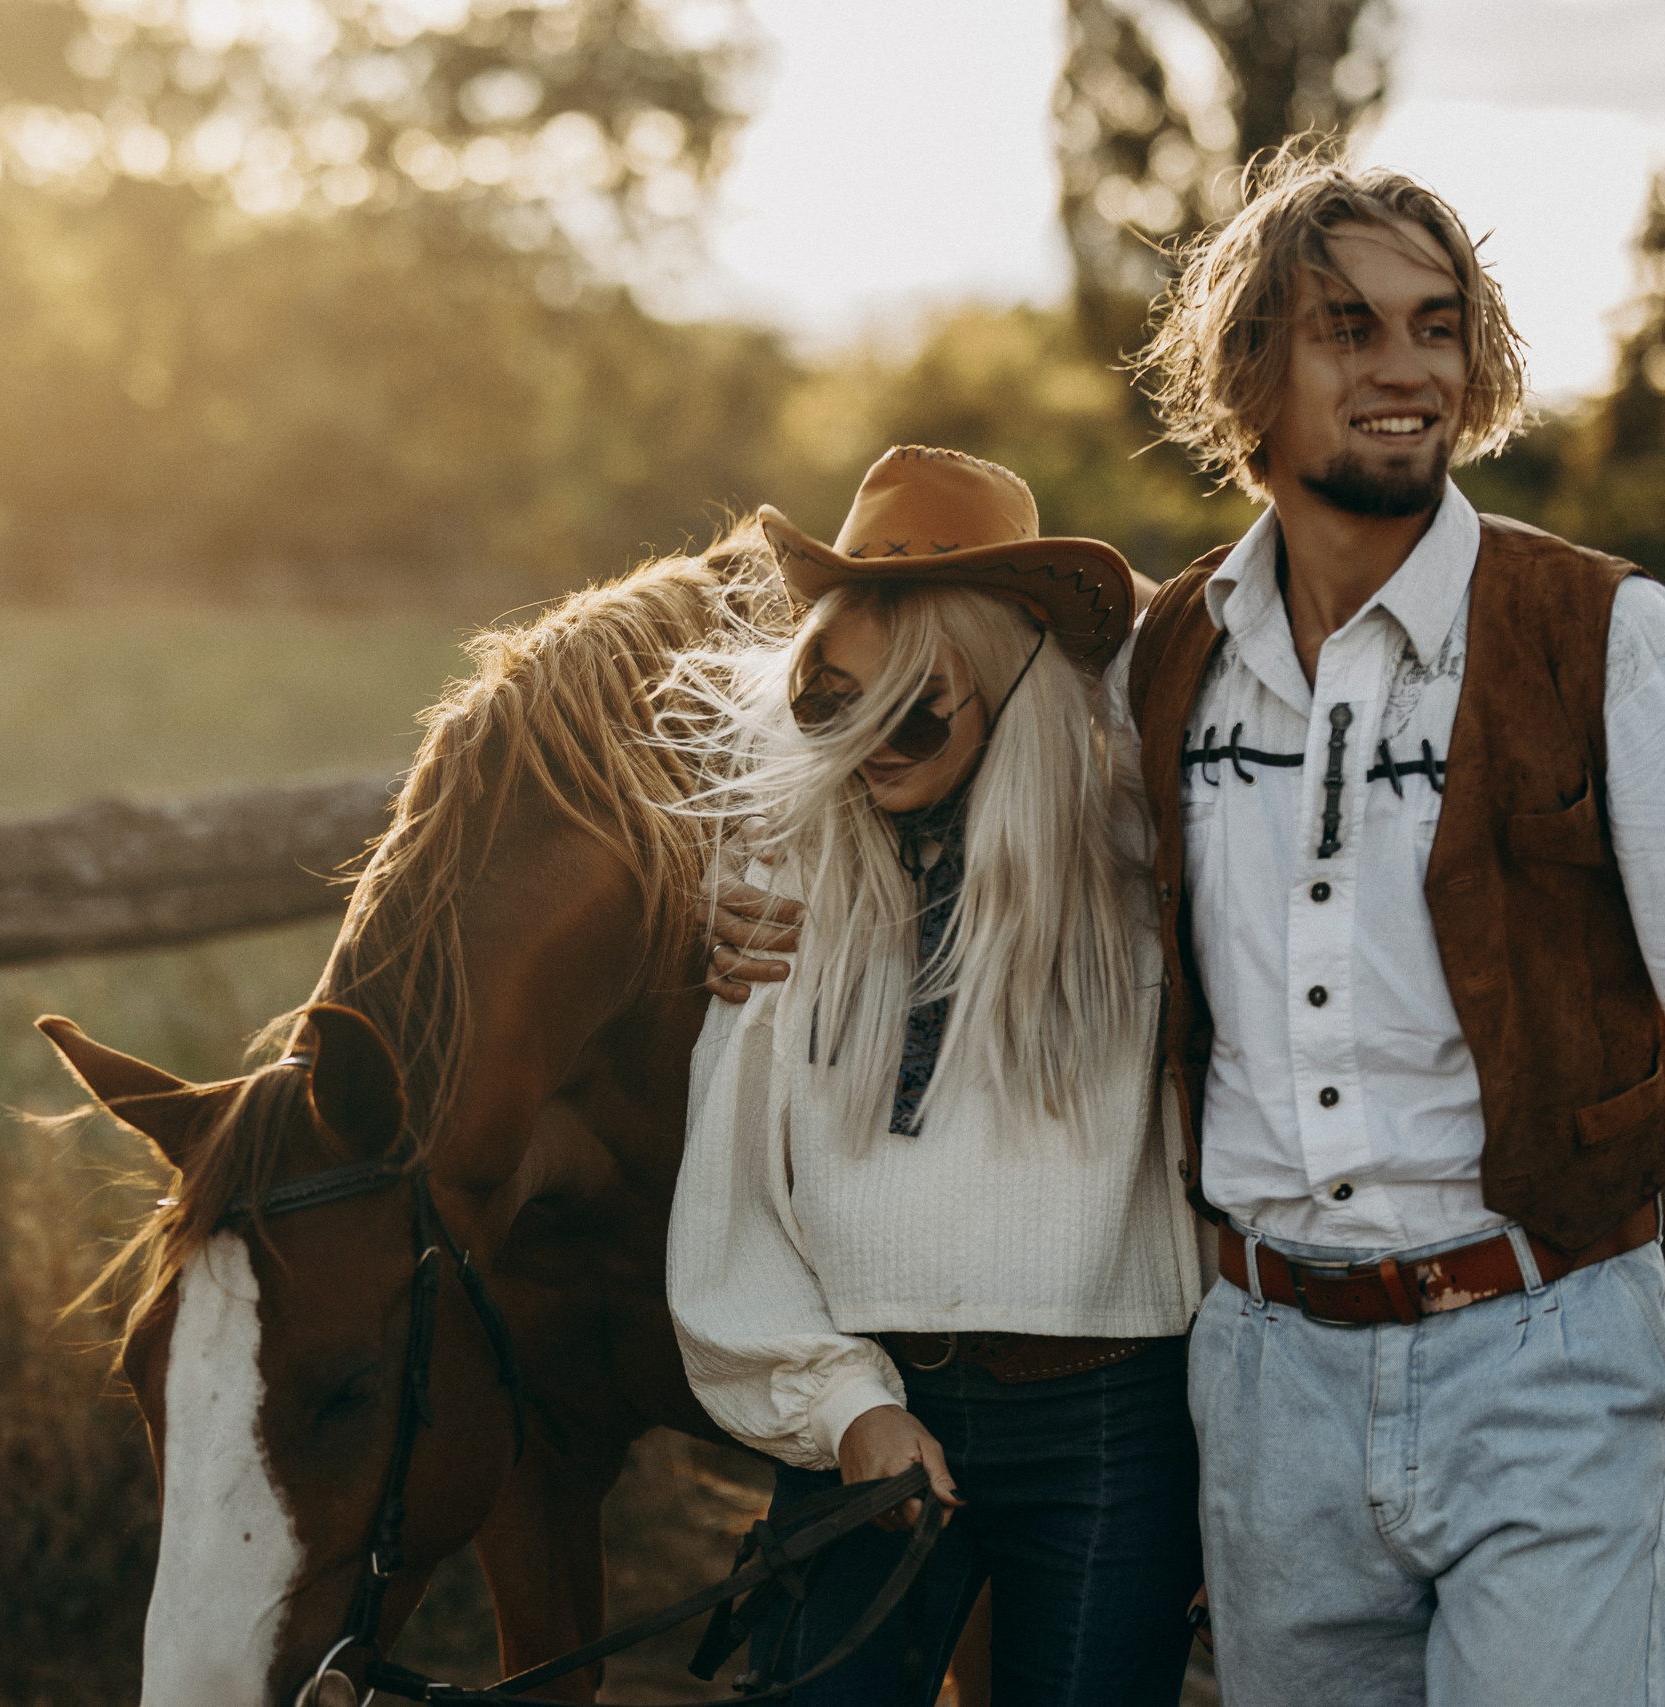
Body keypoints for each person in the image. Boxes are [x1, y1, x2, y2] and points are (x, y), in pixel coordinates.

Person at [716, 149, 1665, 1706]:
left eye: (1437, 325)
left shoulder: (1606, 638)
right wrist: (751, 900)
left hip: (1546, 1336)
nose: (1406, 367)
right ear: (1250, 373)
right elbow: (926, 746)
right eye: (1348, 327)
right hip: (1271, 1372)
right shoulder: (1164, 664)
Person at [663, 445, 1204, 1706]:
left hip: (1110, 1426)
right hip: (868, 1414)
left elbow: (1222, 628)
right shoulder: (783, 887)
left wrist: (1052, 598)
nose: (867, 744)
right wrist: (846, 1409)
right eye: (829, 702)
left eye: (914, 708)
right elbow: (729, 1202)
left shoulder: (1143, 863)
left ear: (1013, 685)